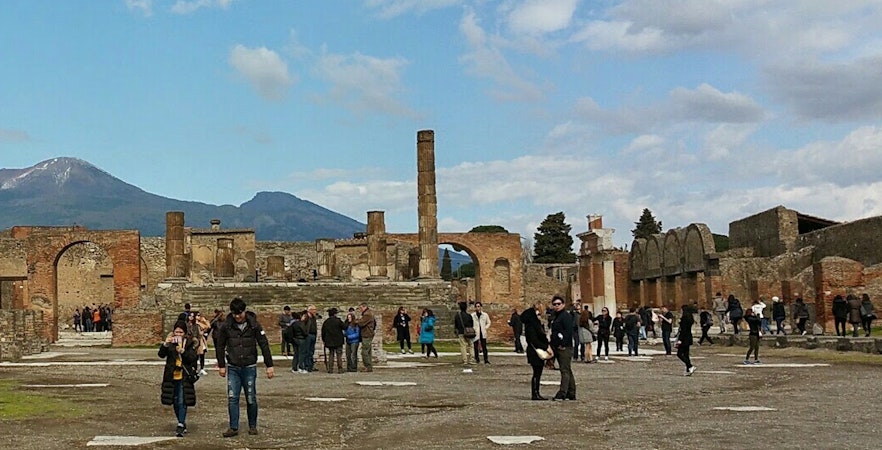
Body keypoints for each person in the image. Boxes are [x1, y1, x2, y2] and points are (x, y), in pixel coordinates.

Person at [215, 297, 274, 438]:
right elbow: (220, 345)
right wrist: (221, 365)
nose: (237, 317)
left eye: (239, 314)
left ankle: (252, 425)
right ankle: (233, 426)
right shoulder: (226, 326)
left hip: (249, 366)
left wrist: (269, 365)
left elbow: (263, 344)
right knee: (232, 397)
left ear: (244, 311)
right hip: (234, 366)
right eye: (235, 314)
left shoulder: (254, 325)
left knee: (251, 397)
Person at [159, 320, 199, 438]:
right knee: (175, 400)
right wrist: (166, 344)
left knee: (182, 400)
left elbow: (193, 358)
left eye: (181, 332)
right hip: (172, 376)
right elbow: (161, 355)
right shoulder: (170, 342)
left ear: (185, 333)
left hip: (184, 376)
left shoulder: (190, 343)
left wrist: (183, 351)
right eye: (176, 332)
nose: (178, 334)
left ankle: (181, 423)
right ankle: (181, 421)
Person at [522, 301, 552, 400]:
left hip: (534, 350)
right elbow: (534, 340)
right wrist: (546, 347)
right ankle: (535, 393)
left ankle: (536, 392)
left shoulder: (532, 323)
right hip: (535, 351)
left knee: (538, 372)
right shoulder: (532, 324)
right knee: (537, 372)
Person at [549, 295, 576, 400]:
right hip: (557, 346)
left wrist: (563, 344)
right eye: (554, 304)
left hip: (565, 347)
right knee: (567, 369)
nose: (556, 306)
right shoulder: (556, 316)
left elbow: (568, 332)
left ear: (563, 305)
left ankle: (562, 392)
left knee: (564, 370)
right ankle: (571, 392)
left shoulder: (566, 316)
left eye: (558, 304)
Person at [321, 308, 346, 374]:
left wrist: (324, 340)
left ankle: (330, 369)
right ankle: (340, 369)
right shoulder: (338, 321)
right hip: (338, 340)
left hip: (329, 341)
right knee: (339, 355)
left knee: (331, 355)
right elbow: (345, 327)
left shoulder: (326, 322)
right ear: (335, 314)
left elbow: (323, 332)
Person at [676, 304, 696, 376]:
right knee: (686, 354)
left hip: (684, 338)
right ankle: (688, 370)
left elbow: (683, 330)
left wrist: (680, 340)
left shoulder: (684, 318)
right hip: (688, 337)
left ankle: (690, 365)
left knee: (679, 354)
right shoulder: (690, 318)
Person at [453, 301, 475, 366]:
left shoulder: (457, 316)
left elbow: (456, 325)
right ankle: (471, 359)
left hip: (461, 332)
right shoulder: (469, 316)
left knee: (463, 346)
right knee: (471, 345)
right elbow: (472, 324)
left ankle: (465, 360)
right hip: (468, 332)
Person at [356, 303, 376, 372]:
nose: (360, 310)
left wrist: (356, 321)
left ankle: (367, 366)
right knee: (368, 351)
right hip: (368, 333)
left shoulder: (367, 314)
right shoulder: (368, 313)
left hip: (367, 334)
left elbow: (361, 323)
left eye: (361, 308)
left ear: (365, 307)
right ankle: (369, 366)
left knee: (365, 351)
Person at [305, 305, 319, 372]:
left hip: (313, 335)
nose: (315, 311)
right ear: (309, 310)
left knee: (311, 351)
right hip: (308, 335)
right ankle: (307, 365)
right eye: (313, 310)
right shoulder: (306, 317)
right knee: (307, 351)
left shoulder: (313, 318)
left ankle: (311, 365)